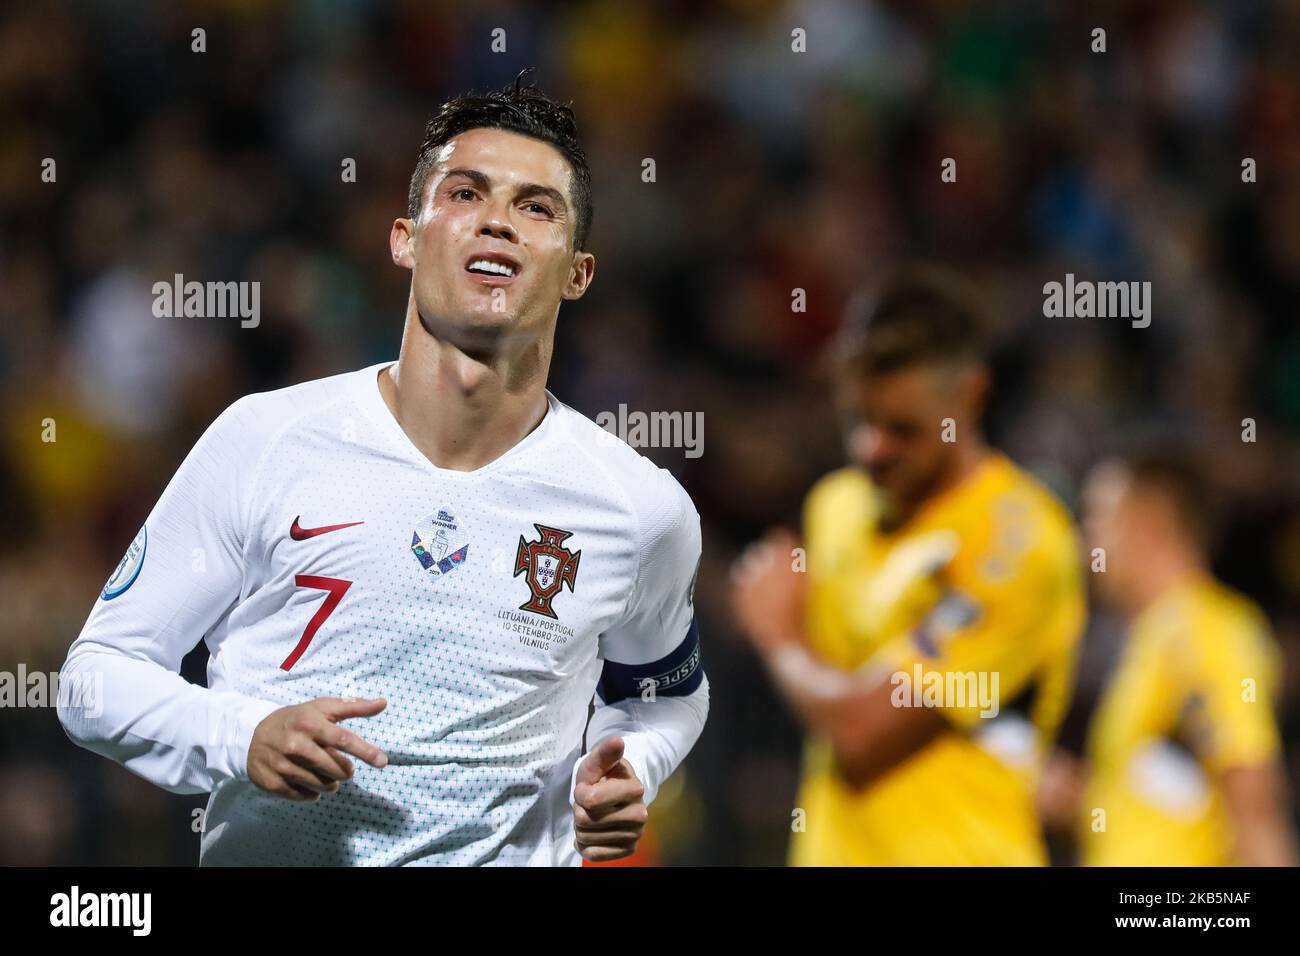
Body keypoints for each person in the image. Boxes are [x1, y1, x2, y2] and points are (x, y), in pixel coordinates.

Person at [57, 73, 708, 866]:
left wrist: (629, 764)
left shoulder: (638, 509)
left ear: (578, 271)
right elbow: (94, 679)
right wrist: (241, 735)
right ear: (405, 237)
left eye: (537, 207)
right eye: (466, 194)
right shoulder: (264, 440)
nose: (498, 221)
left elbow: (664, 698)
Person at [730, 266, 1083, 865]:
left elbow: (861, 731)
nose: (873, 449)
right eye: (858, 422)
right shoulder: (835, 506)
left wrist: (779, 635)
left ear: (969, 396)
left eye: (902, 429)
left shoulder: (1017, 544)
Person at [1053, 449, 1296, 865]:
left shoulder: (1207, 632)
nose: (1084, 542)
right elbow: (1172, 804)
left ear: (1149, 523)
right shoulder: (1152, 639)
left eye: (1097, 521)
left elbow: (1254, 802)